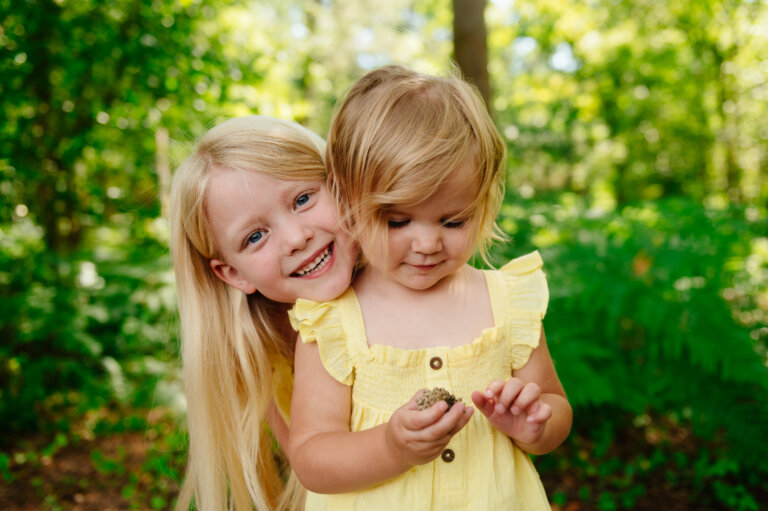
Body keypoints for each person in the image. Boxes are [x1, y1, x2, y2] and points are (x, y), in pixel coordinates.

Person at [288, 65, 572, 509]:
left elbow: (555, 405)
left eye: (453, 220)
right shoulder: (334, 322)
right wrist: (389, 448)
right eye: (397, 221)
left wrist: (536, 424)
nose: (427, 244)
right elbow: (310, 457)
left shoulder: (506, 303)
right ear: (347, 201)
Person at [169, 115, 359, 511]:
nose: (296, 238)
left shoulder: (424, 278)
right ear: (233, 273)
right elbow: (323, 486)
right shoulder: (264, 354)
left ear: (339, 184)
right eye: (255, 236)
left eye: (303, 199)